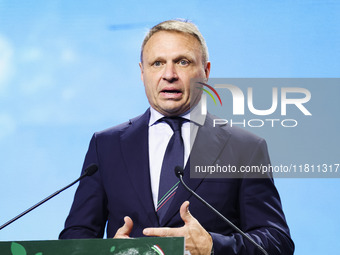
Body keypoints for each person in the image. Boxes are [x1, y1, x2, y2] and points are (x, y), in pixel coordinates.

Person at [59, 19, 294, 255]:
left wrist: (212, 246)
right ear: (142, 72)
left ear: (206, 71)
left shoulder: (245, 147)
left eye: (183, 62)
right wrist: (108, 252)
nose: (169, 74)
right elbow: (75, 237)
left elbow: (277, 241)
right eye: (157, 63)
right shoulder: (106, 145)